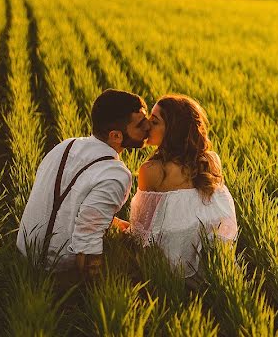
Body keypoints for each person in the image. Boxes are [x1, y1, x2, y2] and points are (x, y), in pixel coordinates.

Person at [16, 89, 150, 281]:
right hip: (56, 269)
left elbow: (69, 202)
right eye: (140, 124)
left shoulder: (66, 145)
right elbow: (87, 239)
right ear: (116, 136)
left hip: (25, 252)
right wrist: (93, 290)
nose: (148, 127)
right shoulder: (116, 174)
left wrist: (115, 224)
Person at [128, 94, 237, 279]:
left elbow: (140, 232)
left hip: (168, 270)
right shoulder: (210, 161)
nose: (147, 125)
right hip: (213, 268)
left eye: (154, 121)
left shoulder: (151, 170)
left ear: (173, 130)